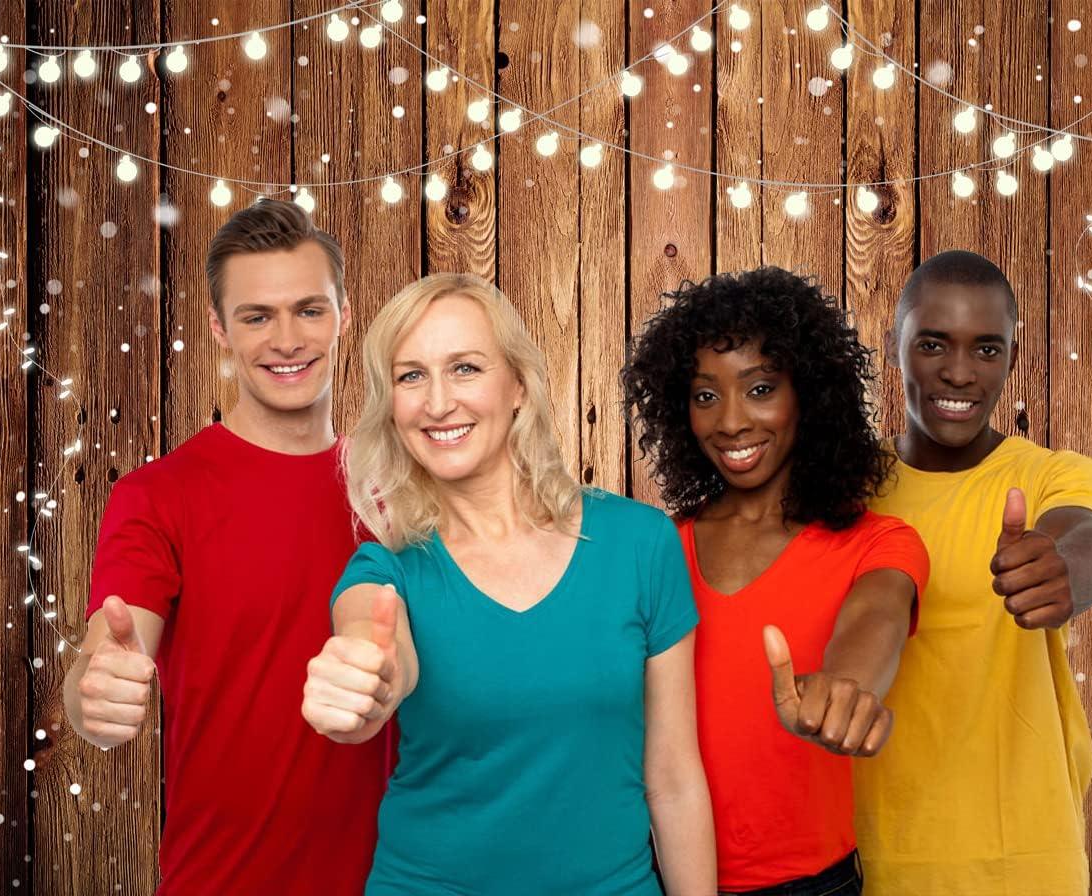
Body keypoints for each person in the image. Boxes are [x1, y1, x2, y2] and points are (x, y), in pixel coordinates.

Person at [299, 272, 715, 896]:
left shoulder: (640, 544)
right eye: (411, 376)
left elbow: (675, 776)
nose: (438, 402)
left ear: (518, 385)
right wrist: (365, 681)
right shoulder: (386, 570)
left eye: (464, 367)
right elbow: (374, 647)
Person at [63, 199, 392, 894]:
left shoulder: (397, 491)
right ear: (218, 328)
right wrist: (91, 696)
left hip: (398, 879)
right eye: (256, 316)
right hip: (224, 879)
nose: (287, 339)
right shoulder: (157, 496)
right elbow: (108, 655)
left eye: (309, 310)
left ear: (343, 316)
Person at [622, 267, 929, 896]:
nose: (731, 421)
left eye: (760, 388)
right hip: (657, 877)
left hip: (811, 886)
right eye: (706, 395)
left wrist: (845, 687)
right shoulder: (657, 547)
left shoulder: (877, 542)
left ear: (809, 395)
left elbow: (878, 618)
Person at [852, 249, 1092, 895]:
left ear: (1012, 361)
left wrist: (1061, 567)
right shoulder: (845, 488)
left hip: (1028, 860)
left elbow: (1087, 540)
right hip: (871, 858)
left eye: (988, 350)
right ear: (894, 346)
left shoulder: (1055, 473)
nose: (961, 373)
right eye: (935, 344)